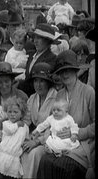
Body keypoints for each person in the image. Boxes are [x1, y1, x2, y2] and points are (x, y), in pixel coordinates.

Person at [37, 50, 95, 179]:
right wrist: (47, 138)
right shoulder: (60, 94)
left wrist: (78, 133)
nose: (64, 74)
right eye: (61, 71)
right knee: (45, 161)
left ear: (75, 71)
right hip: (60, 143)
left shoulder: (88, 92)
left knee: (64, 165)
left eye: (68, 70)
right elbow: (53, 120)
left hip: (83, 145)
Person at [20, 62, 58, 179]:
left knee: (34, 154)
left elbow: (54, 127)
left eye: (42, 81)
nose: (38, 85)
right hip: (35, 136)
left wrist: (36, 142)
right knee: (20, 149)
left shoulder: (56, 97)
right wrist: (22, 135)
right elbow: (26, 121)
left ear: (48, 82)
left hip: (51, 139)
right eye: (36, 81)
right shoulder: (32, 98)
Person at [0, 96, 29, 179]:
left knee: (11, 176)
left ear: (22, 113)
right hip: (4, 154)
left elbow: (25, 137)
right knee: (0, 174)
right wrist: (17, 124)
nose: (12, 114)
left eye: (15, 112)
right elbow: (10, 130)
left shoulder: (25, 127)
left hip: (14, 156)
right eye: (10, 112)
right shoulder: (6, 123)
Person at [18, 23, 57, 96]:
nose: (35, 41)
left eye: (39, 38)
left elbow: (41, 83)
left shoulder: (52, 59)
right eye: (34, 38)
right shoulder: (31, 55)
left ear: (47, 41)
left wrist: (18, 84)